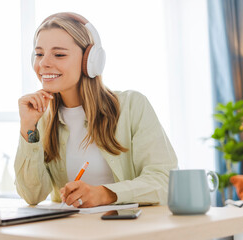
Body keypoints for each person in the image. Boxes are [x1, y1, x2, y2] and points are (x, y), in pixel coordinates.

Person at [15, 12, 177, 208]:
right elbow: (31, 195)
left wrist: (105, 194)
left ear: (90, 60)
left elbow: (165, 181)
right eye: (39, 54)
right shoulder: (42, 119)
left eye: (59, 54)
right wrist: (28, 128)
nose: (43, 63)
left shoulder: (132, 106)